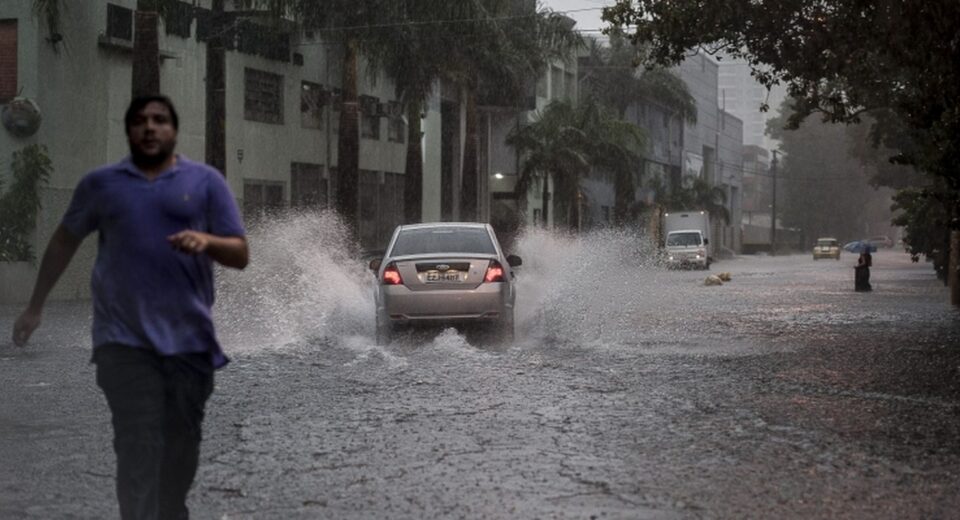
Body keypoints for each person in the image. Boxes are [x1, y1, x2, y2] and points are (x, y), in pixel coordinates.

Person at [11, 95, 248, 519]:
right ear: (129, 131)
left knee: (181, 448)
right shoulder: (101, 185)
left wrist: (207, 241)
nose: (150, 127)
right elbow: (65, 240)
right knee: (138, 445)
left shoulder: (206, 182)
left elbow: (240, 254)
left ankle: (171, 509)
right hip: (122, 343)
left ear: (174, 131)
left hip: (189, 344)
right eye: (140, 121)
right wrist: (36, 306)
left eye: (160, 120)